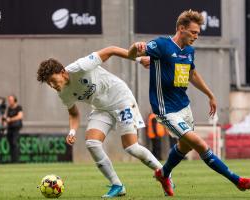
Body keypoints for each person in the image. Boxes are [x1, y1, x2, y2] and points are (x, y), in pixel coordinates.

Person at [128, 10, 250, 196]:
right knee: (198, 143)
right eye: (194, 32)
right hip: (165, 109)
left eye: (198, 33)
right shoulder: (162, 45)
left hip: (183, 106)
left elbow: (191, 74)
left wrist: (210, 94)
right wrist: (135, 47)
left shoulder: (189, 51)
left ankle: (163, 174)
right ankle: (237, 180)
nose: (197, 36)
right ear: (181, 29)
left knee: (185, 145)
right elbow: (134, 55)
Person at [36, 46, 163, 198]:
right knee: (92, 143)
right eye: (48, 83)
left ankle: (164, 173)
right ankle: (117, 185)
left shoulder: (81, 66)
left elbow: (111, 50)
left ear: (62, 72)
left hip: (121, 99)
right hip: (102, 108)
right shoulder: (63, 93)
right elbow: (74, 114)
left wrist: (138, 59)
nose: (52, 85)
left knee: (131, 147)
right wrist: (72, 131)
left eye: (52, 80)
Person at [6, 95, 23, 163]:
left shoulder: (18, 107)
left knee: (15, 143)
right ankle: (12, 159)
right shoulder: (9, 108)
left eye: (11, 100)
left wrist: (10, 119)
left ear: (14, 100)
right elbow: (7, 117)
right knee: (10, 144)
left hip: (16, 128)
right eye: (9, 100)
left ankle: (16, 160)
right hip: (10, 128)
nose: (9, 101)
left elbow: (20, 116)